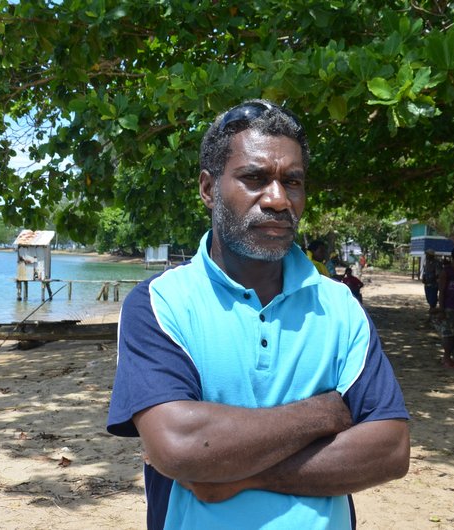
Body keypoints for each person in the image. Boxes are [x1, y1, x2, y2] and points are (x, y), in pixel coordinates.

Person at [107, 99, 410, 529]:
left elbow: (390, 450)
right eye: (254, 178)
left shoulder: (339, 306)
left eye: (293, 181)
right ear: (208, 189)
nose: (277, 199)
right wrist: (326, 413)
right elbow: (179, 445)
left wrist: (245, 474)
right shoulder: (159, 304)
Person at [421, 249, 443, 313]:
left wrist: (433, 279)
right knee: (428, 298)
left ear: (431, 255)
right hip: (427, 284)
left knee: (432, 299)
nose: (426, 256)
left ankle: (432, 310)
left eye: (427, 254)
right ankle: (432, 309)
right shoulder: (426, 262)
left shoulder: (437, 263)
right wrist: (423, 278)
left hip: (433, 284)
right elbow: (425, 271)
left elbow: (438, 274)